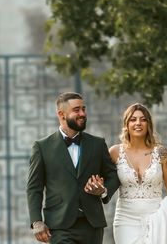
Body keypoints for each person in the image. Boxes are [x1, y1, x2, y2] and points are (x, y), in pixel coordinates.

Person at [26, 92, 120, 243]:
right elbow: (34, 188)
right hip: (59, 226)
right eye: (77, 110)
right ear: (61, 114)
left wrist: (103, 191)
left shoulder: (97, 144)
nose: (83, 113)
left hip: (92, 225)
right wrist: (36, 221)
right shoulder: (42, 147)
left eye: (84, 109)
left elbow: (113, 175)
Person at [109, 103, 167, 244]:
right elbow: (104, 182)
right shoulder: (114, 152)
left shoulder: (161, 152)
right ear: (126, 124)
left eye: (143, 119)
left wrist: (161, 215)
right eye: (133, 119)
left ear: (149, 124)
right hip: (125, 220)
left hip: (155, 215)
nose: (138, 123)